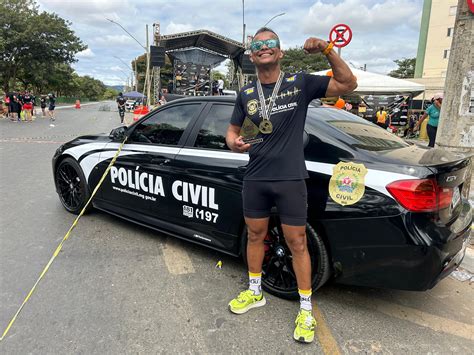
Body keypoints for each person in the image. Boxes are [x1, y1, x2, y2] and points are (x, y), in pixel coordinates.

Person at [225, 27, 357, 344]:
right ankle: (255, 291)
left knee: (297, 243)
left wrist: (327, 49)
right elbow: (230, 132)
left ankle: (306, 309)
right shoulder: (246, 94)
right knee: (255, 235)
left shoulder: (300, 82)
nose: (264, 47)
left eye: (271, 43)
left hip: (290, 178)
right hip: (256, 176)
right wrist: (234, 143)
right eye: (257, 45)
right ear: (252, 55)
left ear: (280, 52)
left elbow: (348, 84)